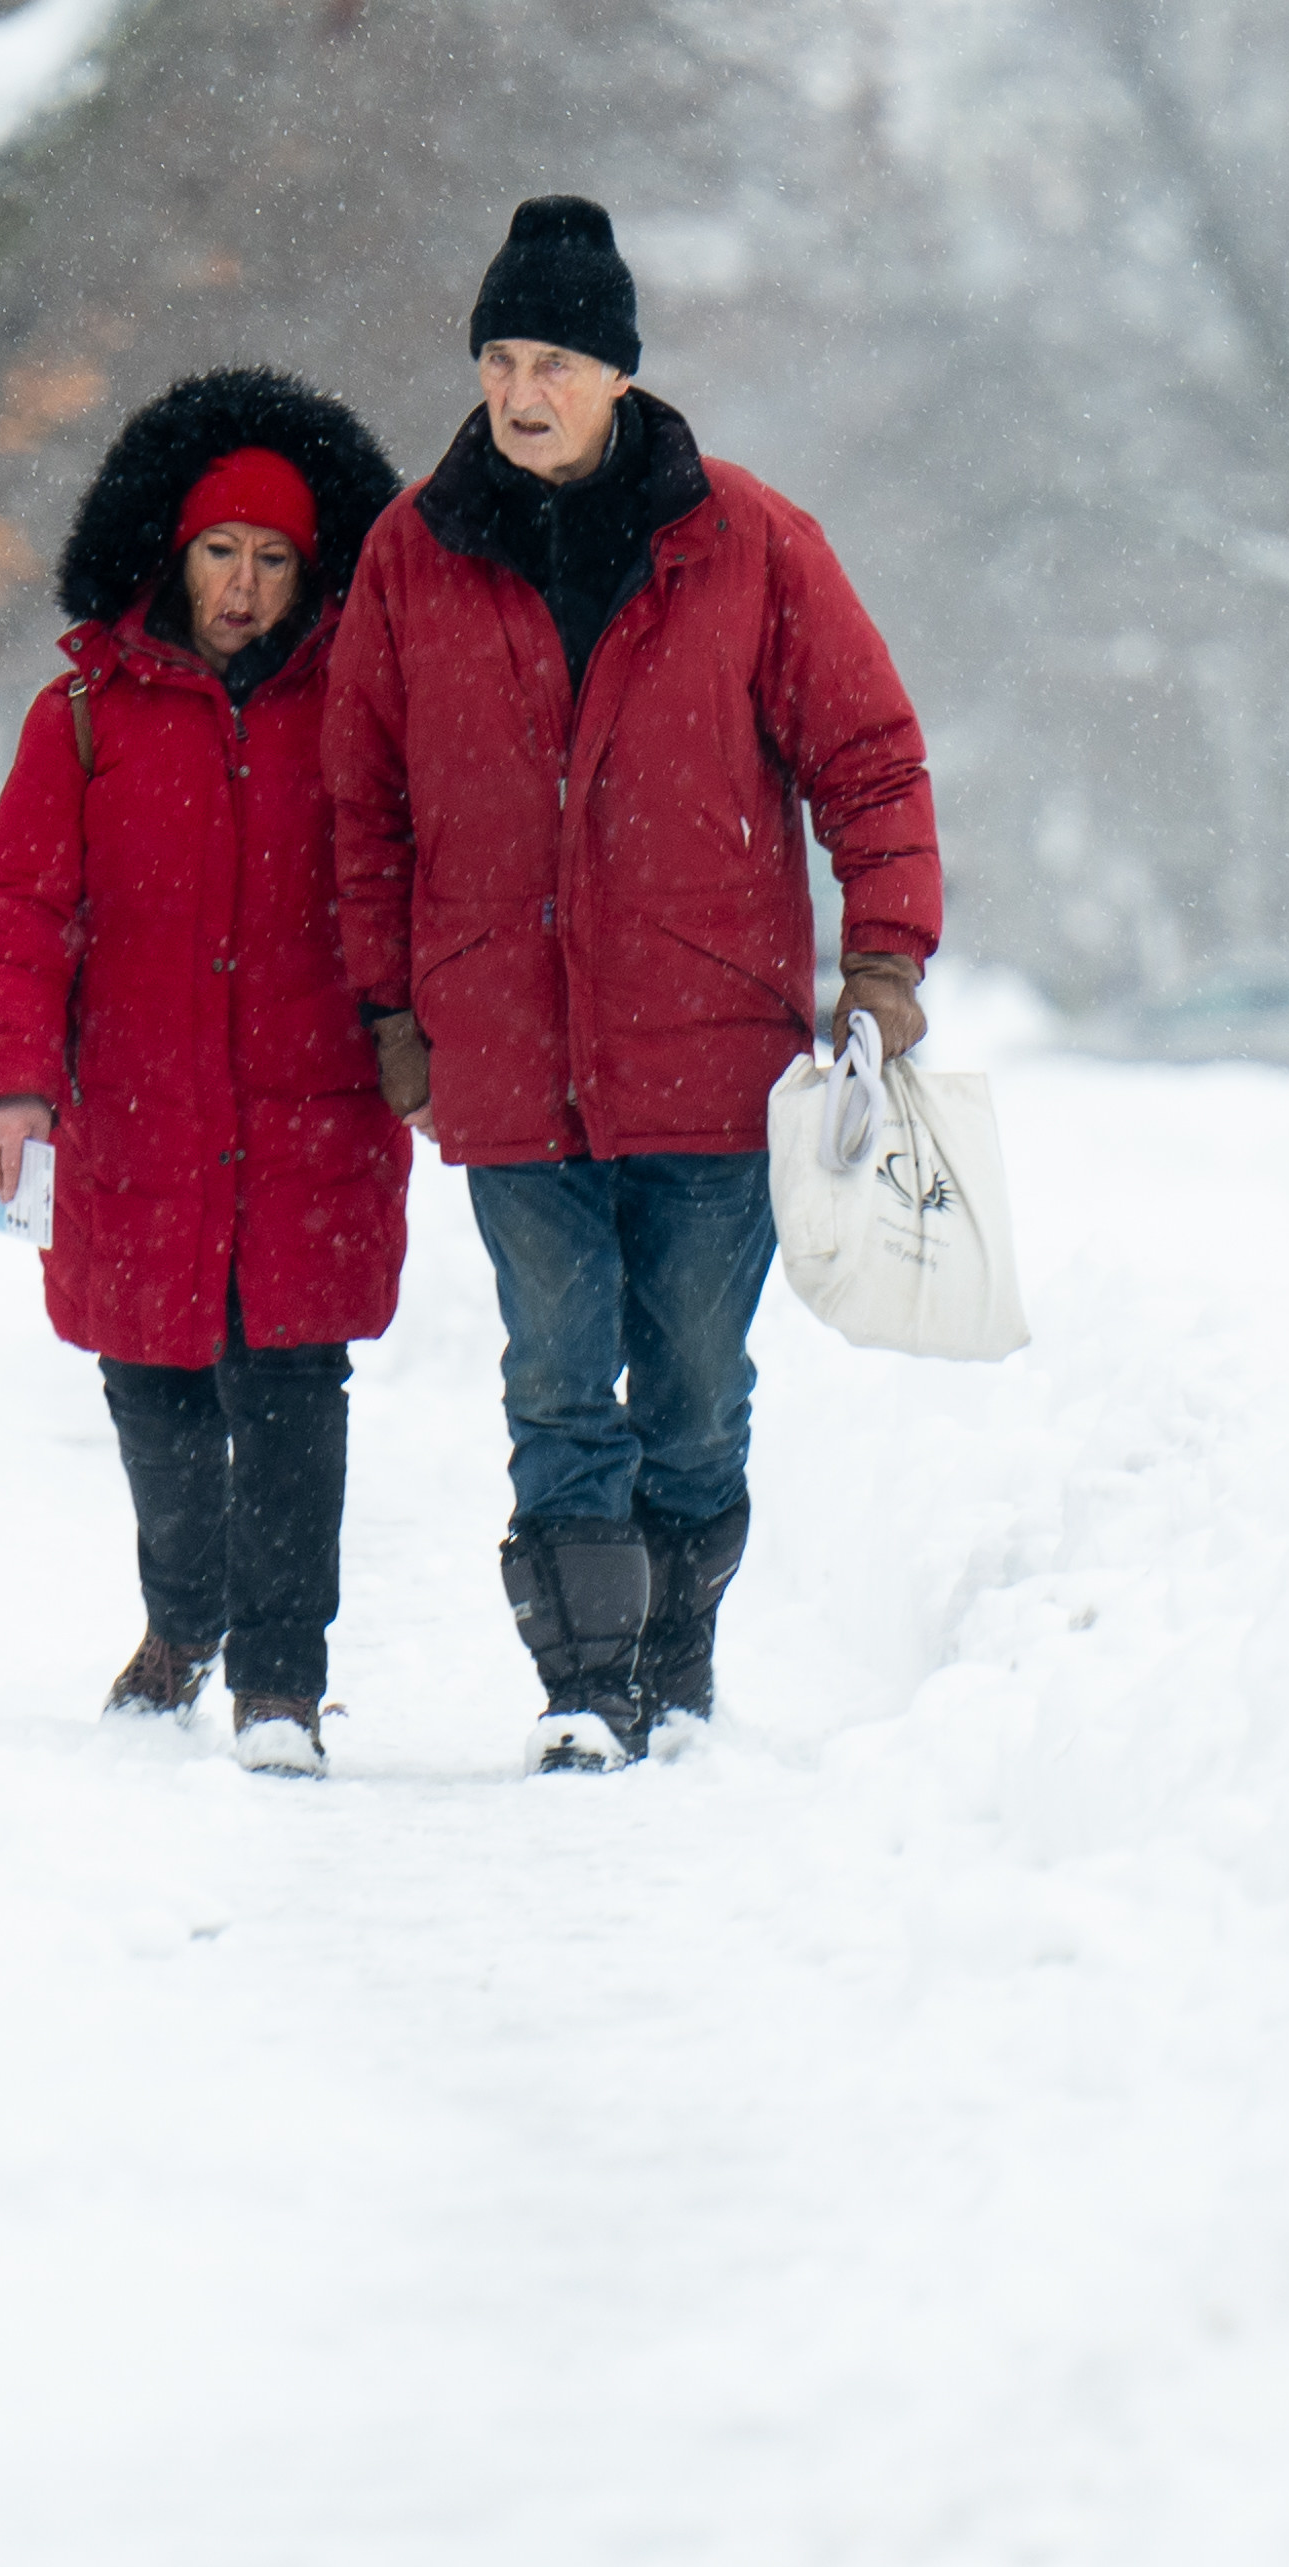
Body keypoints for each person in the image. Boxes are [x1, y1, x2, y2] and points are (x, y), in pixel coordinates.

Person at [324, 193, 940, 1769]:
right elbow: (367, 803)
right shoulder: (412, 552)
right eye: (499, 358)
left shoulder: (745, 540)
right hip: (505, 1048)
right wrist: (393, 1004)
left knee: (691, 1385)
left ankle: (675, 1661)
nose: (521, 391)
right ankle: (584, 1690)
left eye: (555, 361)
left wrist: (881, 961)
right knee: (551, 1377)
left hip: (709, 1047)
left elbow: (864, 757)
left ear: (617, 376)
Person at [0, 367, 413, 1776]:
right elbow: (21, 908)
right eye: (221, 552)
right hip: (138, 1114)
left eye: (273, 560)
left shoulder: (358, 709)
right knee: (151, 1384)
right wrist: (13, 1082)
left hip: (308, 1110)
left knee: (292, 1389)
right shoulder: (83, 714)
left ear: (311, 568)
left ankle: (281, 1676)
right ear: (170, 552)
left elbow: (416, 870)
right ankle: (183, 1614)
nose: (241, 586)